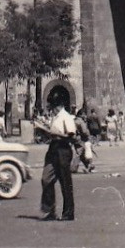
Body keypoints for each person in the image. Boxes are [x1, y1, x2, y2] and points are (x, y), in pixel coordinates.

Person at [34, 89, 77, 221]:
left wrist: (56, 135)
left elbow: (71, 135)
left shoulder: (66, 117)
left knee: (65, 183)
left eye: (53, 106)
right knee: (46, 179)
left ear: (59, 105)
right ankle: (50, 210)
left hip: (63, 149)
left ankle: (68, 213)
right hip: (53, 148)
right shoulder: (55, 117)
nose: (51, 109)